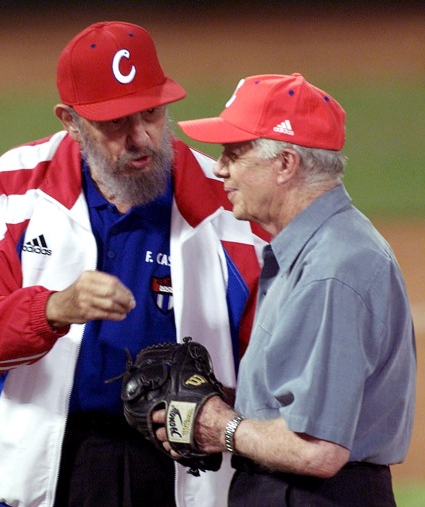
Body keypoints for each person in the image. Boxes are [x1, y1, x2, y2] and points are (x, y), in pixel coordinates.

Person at [0, 21, 267, 507]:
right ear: (69, 121)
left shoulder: (228, 208)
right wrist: (51, 309)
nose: (140, 137)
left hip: (182, 474)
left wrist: (225, 407)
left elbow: (277, 370)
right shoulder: (14, 190)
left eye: (150, 112)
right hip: (44, 468)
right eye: (115, 122)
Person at [154, 73, 417, 506]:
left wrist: (221, 427)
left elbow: (318, 448)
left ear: (285, 164)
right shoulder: (307, 250)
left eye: (234, 153)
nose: (220, 167)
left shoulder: (334, 268)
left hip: (316, 494)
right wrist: (219, 400)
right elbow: (297, 405)